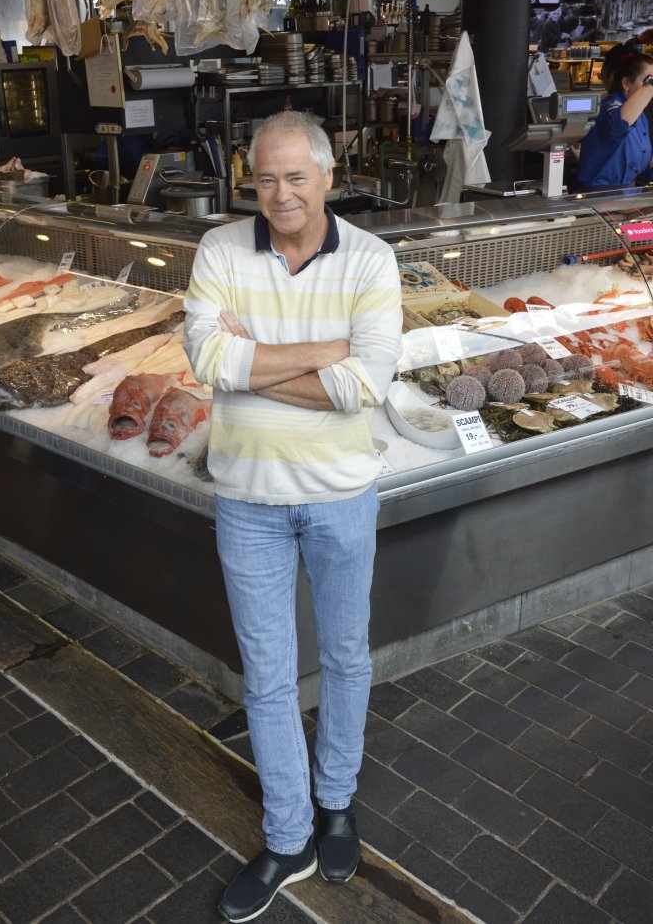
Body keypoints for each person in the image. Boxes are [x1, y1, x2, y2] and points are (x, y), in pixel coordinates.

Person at [183, 112, 402, 923]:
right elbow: (207, 358)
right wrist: (323, 352)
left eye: (296, 176)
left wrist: (254, 364)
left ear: (328, 176)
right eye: (266, 178)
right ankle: (289, 833)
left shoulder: (373, 260)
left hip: (343, 492)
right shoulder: (218, 251)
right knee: (268, 675)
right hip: (248, 500)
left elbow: (367, 384)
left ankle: (336, 800)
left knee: (345, 655)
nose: (280, 193)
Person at [576, 50, 653, 191]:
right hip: (599, 195)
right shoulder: (610, 106)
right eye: (647, 80)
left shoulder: (641, 116)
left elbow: (644, 160)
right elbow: (617, 126)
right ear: (626, 83)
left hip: (629, 194)